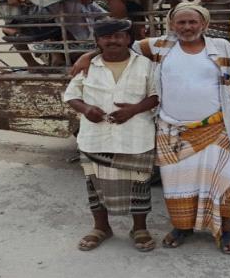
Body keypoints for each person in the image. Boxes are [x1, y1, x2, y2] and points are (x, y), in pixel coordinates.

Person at [71, 0, 230, 254]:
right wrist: (88, 55)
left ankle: (227, 229)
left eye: (192, 22)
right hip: (172, 132)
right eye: (181, 22)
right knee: (179, 184)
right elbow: (117, 45)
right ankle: (183, 227)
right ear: (172, 25)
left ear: (204, 24)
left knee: (223, 181)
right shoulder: (160, 46)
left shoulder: (222, 47)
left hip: (215, 129)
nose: (187, 27)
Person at [64, 19, 159, 252]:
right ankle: (101, 227)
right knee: (95, 186)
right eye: (107, 37)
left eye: (118, 36)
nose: (113, 40)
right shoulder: (88, 66)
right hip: (95, 138)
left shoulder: (146, 65)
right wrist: (86, 109)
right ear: (98, 41)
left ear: (128, 39)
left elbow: (156, 96)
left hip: (136, 137)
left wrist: (133, 110)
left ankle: (139, 229)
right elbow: (71, 95)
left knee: (139, 186)